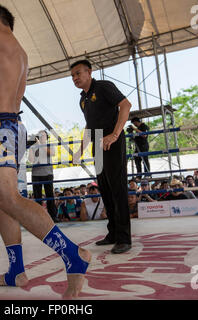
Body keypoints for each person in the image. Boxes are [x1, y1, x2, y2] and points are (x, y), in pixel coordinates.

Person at [0, 3, 90, 298]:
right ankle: (16, 270)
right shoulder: (16, 52)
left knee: (8, 199)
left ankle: (72, 255)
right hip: (6, 126)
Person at [71, 59, 132, 254]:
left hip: (112, 140)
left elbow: (126, 105)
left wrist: (115, 135)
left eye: (78, 73)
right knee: (105, 189)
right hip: (97, 143)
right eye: (72, 76)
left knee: (118, 188)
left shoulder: (104, 87)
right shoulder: (82, 99)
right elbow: (89, 127)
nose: (75, 78)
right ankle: (113, 233)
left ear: (89, 72)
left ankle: (124, 238)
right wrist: (80, 151)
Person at [28, 130, 57, 221]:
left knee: (49, 195)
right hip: (36, 174)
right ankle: (38, 218)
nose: (41, 136)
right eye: (40, 135)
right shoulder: (33, 147)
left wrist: (41, 145)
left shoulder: (50, 145)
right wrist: (31, 148)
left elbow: (52, 153)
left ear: (47, 136)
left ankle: (53, 217)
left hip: (47, 173)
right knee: (37, 196)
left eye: (43, 135)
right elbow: (31, 160)